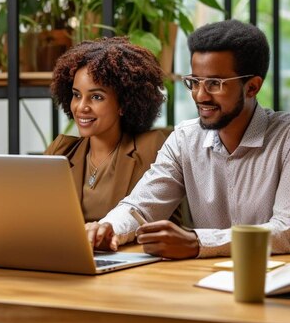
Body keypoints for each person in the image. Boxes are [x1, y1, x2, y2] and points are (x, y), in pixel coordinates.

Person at [86, 19, 290, 259]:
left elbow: (285, 229)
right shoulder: (185, 139)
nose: (200, 95)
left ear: (252, 87)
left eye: (215, 83)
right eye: (194, 82)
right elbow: (141, 207)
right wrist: (108, 228)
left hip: (272, 284)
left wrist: (198, 242)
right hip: (200, 282)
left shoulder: (285, 139)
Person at [44, 36, 171, 222]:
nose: (81, 107)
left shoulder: (149, 150)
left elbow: (167, 225)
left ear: (123, 104)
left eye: (96, 97)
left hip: (127, 250)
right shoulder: (61, 152)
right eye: (76, 95)